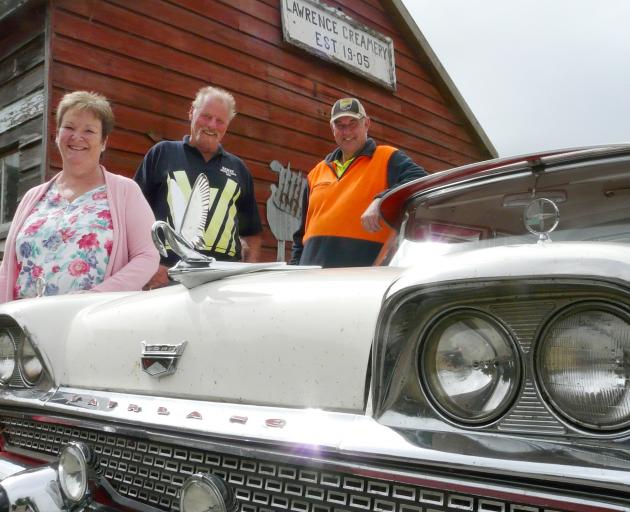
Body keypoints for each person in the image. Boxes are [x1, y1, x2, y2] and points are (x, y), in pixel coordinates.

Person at [0, 91, 159, 302]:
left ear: (103, 142)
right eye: (69, 127)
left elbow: (147, 257)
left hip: (93, 323)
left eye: (89, 130)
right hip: (25, 327)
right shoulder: (32, 198)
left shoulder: (126, 191)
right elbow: (6, 271)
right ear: (57, 135)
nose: (77, 137)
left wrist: (93, 298)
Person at [134, 86, 262, 288]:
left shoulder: (239, 169)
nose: (212, 125)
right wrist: (148, 266)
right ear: (191, 112)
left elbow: (252, 232)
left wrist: (248, 273)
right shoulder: (162, 153)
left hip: (223, 282)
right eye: (206, 116)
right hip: (167, 279)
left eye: (220, 121)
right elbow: (133, 217)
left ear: (227, 125)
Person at [291, 97, 427, 267]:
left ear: (367, 124)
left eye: (353, 123)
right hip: (311, 280)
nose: (346, 131)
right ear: (332, 129)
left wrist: (380, 201)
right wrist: (293, 270)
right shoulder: (315, 173)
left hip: (361, 280)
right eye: (340, 125)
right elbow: (301, 235)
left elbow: (421, 180)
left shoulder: (387, 157)